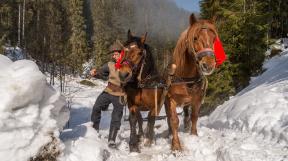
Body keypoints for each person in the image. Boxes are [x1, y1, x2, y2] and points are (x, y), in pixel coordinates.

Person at [90, 41, 126, 148]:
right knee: (96, 107)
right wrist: (95, 73)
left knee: (116, 116)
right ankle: (94, 131)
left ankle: (112, 140)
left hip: (120, 94)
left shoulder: (127, 66)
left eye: (116, 54)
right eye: (113, 54)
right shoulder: (110, 65)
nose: (114, 56)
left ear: (122, 53)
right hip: (108, 91)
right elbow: (101, 73)